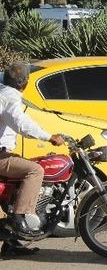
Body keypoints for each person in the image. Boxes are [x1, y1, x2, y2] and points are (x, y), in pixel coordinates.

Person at [0, 62, 65, 257]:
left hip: (4, 153)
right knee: (36, 170)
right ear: (25, 83)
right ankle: (20, 217)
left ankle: (11, 243)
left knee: (21, 175)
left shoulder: (2, 91)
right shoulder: (11, 96)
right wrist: (48, 137)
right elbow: (20, 123)